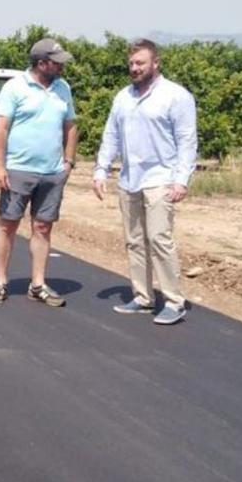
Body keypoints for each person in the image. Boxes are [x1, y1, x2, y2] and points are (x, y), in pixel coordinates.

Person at [92, 39, 197, 326]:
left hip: (161, 178)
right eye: (131, 64)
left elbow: (187, 140)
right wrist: (101, 170)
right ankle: (142, 296)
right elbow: (110, 135)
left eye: (140, 63)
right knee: (134, 240)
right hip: (130, 178)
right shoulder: (123, 97)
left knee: (159, 238)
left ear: (155, 63)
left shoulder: (176, 96)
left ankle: (174, 301)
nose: (135, 68)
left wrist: (181, 180)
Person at [0, 38, 78, 308]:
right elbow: (1, 128)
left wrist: (68, 162)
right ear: (41, 63)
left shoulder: (63, 89)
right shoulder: (15, 87)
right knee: (8, 223)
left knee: (43, 226)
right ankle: (0, 281)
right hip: (18, 169)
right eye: (57, 61)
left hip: (51, 172)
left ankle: (38, 284)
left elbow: (70, 126)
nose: (62, 66)